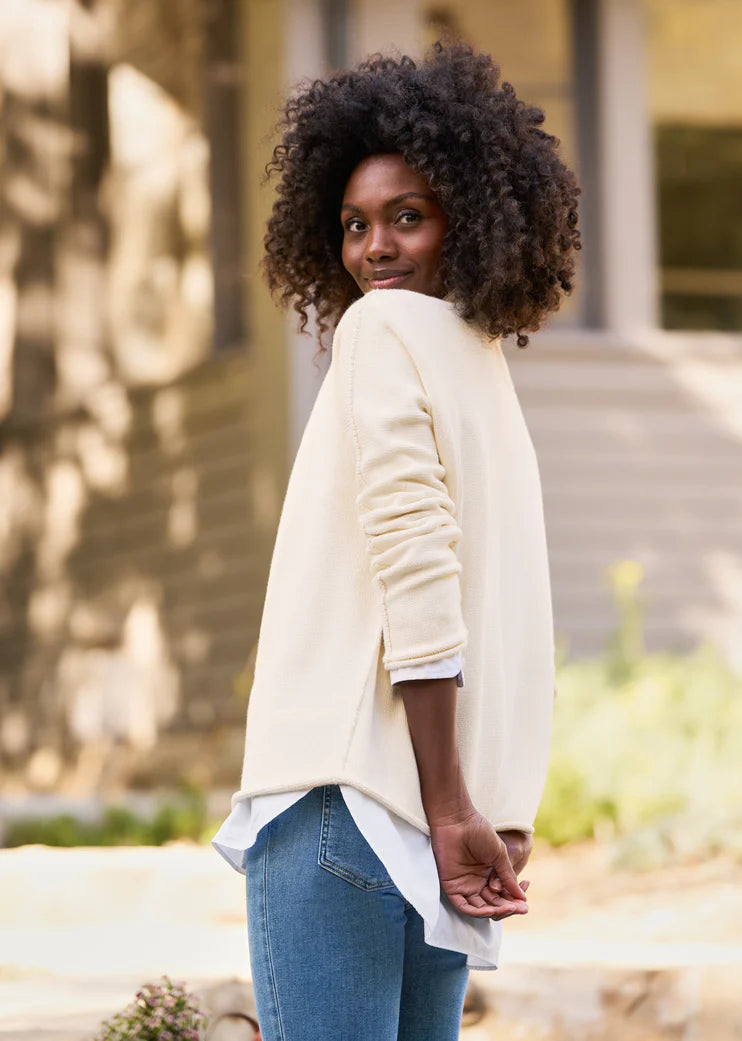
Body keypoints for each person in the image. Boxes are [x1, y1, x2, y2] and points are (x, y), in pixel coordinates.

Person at [212, 41, 580, 1041]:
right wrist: (490, 811)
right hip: (442, 827)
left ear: (469, 218)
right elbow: (512, 618)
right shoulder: (483, 369)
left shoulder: (380, 336)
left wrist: (459, 805)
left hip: (348, 802)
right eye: (353, 225)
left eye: (405, 217)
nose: (374, 248)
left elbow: (420, 573)